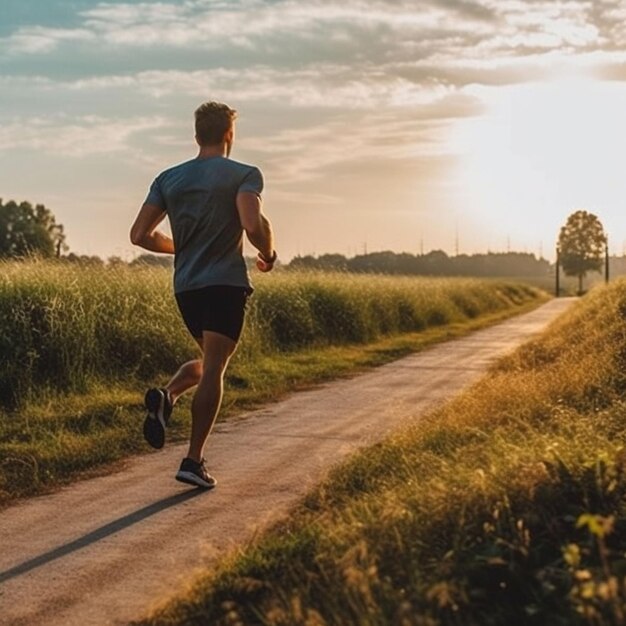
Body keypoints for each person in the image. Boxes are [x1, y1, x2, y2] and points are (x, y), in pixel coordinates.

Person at [130, 101, 276, 489]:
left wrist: (182, 247)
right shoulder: (244, 174)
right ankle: (193, 461)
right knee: (214, 369)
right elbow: (250, 222)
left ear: (197, 135)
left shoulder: (168, 179)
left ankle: (168, 394)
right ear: (230, 134)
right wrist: (267, 252)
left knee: (211, 359)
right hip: (225, 284)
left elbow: (139, 235)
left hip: (187, 288)